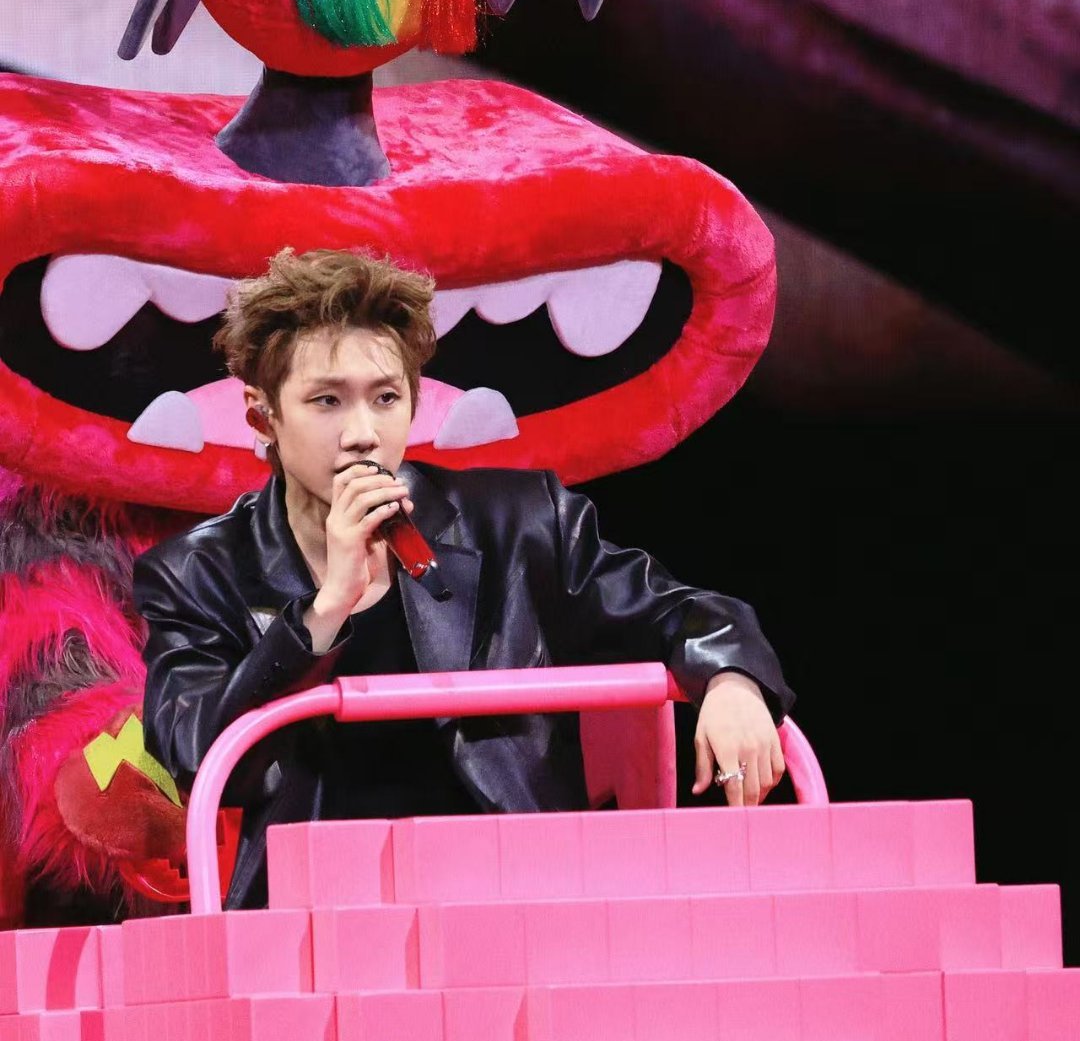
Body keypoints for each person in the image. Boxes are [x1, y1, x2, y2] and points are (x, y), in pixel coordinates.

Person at [133, 249, 795, 908]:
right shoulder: (197, 572)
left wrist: (731, 677)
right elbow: (194, 758)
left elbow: (680, 612)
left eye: (386, 398)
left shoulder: (520, 523)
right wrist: (325, 611)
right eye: (326, 401)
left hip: (513, 898)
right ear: (262, 415)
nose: (362, 433)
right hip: (314, 913)